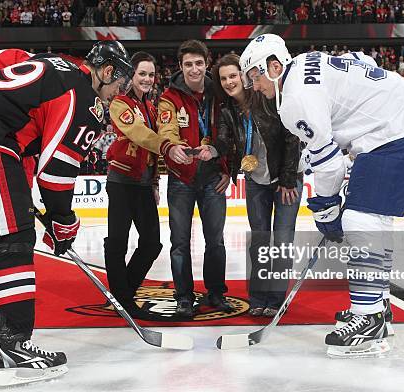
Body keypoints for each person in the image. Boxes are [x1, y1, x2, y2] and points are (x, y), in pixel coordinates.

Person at [0, 41, 134, 387]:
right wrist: (64, 221)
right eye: (120, 84)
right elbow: (56, 173)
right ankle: (14, 351)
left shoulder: (56, 62)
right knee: (15, 237)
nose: (119, 94)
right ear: (107, 71)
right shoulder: (88, 101)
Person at [240, 34, 404, 357]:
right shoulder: (306, 61)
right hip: (402, 121)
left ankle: (367, 316)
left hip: (396, 131)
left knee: (360, 219)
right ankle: (376, 305)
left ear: (273, 66)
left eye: (254, 76)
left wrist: (326, 210)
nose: (253, 85)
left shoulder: (293, 101)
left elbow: (330, 164)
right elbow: (363, 60)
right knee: (374, 220)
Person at [211, 53, 302, 317]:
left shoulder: (266, 96)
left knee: (282, 240)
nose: (229, 82)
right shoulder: (228, 111)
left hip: (287, 178)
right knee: (259, 241)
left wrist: (286, 179)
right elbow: (225, 142)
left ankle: (275, 299)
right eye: (224, 78)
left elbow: (291, 136)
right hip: (256, 180)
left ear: (244, 75)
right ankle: (258, 296)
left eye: (233, 76)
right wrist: (212, 153)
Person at [104, 51, 190, 317]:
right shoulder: (120, 104)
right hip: (121, 181)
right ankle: (123, 299)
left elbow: (151, 149)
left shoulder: (151, 107)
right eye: (142, 73)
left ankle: (123, 294)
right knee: (117, 242)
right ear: (131, 75)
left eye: (151, 74)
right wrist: (166, 145)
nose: (147, 79)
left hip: (143, 184)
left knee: (152, 243)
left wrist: (154, 181)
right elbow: (139, 135)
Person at [157, 40, 232, 318]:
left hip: (213, 178)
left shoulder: (219, 93)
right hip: (182, 178)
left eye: (199, 63)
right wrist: (171, 147)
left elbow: (230, 134)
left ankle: (215, 293)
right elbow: (166, 128)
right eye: (188, 64)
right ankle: (184, 297)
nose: (194, 69)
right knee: (179, 242)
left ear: (207, 64)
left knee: (216, 241)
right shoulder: (169, 97)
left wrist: (227, 168)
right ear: (180, 67)